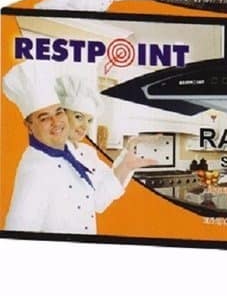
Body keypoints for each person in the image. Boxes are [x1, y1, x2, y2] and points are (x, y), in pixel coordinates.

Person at [2, 62, 155, 234]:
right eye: (44, 118)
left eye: (58, 112)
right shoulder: (35, 169)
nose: (56, 122)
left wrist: (126, 166)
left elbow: (97, 201)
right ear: (29, 127)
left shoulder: (73, 153)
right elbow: (18, 234)